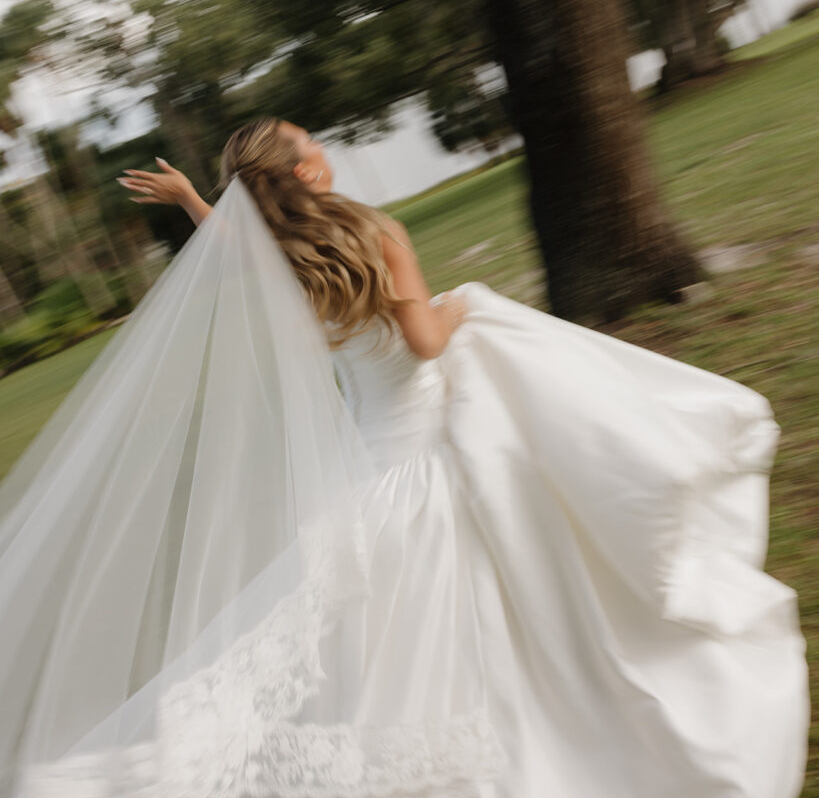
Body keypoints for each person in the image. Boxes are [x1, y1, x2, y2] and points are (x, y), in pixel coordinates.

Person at [0, 117, 809, 798]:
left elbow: (236, 244)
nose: (323, 149)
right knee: (493, 600)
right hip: (431, 459)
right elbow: (422, 344)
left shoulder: (280, 256)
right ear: (305, 167)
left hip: (368, 473)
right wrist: (465, 308)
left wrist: (190, 202)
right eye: (311, 142)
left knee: (372, 632)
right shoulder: (373, 232)